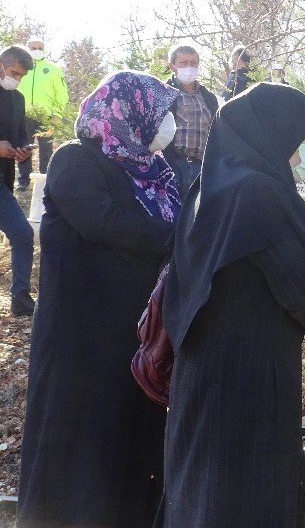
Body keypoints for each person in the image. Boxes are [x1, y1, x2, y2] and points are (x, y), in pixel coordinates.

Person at [155, 83, 305, 527]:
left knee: (200, 495)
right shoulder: (257, 193)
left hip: (202, 372)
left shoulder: (209, 187)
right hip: (249, 382)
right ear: (273, 132)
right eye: (302, 135)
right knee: (242, 500)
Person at [17, 71, 181, 527]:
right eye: (160, 112)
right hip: (81, 338)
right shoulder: (77, 161)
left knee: (124, 443)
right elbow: (105, 222)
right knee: (78, 441)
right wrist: (180, 238)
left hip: (135, 335)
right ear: (128, 112)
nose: (167, 123)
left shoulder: (156, 170)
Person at [0, 45, 36, 317]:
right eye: (13, 72)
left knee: (23, 234)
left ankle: (21, 297)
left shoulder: (17, 98)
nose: (16, 79)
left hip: (3, 180)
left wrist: (23, 151)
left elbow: (21, 135)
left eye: (21, 76)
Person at [163, 43, 220, 195]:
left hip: (202, 168)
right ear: (172, 66)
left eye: (193, 63)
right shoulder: (163, 93)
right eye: (184, 63)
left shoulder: (208, 97)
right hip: (174, 165)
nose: (190, 66)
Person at [17, 37, 68, 188]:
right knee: (24, 147)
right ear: (27, 50)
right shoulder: (20, 68)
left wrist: (57, 115)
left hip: (46, 118)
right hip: (24, 115)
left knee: (46, 149)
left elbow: (61, 94)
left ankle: (45, 180)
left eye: (40, 48)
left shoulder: (54, 70)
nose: (37, 51)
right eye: (33, 48)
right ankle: (23, 180)